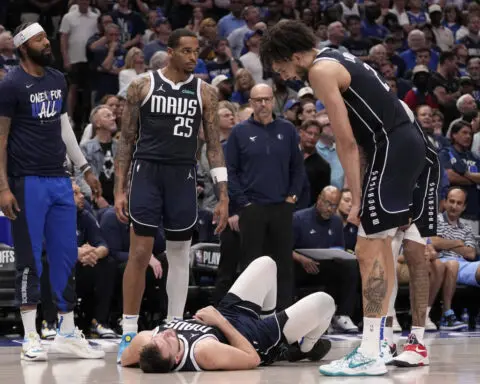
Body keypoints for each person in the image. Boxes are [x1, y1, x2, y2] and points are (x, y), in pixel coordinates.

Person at [261, 20, 439, 376]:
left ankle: (371, 349)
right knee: (380, 246)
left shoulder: (320, 70)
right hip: (407, 145)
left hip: (391, 146)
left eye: (281, 68)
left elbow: (345, 139)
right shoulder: (338, 57)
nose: (285, 76)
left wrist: (356, 198)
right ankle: (378, 342)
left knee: (367, 248)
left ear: (294, 55)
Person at [114, 28, 229, 363]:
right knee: (139, 252)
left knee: (180, 253)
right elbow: (125, 140)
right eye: (188, 51)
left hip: (183, 174)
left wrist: (223, 195)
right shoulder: (142, 85)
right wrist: (119, 189)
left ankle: (175, 325)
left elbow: (214, 147)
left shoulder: (205, 92)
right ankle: (129, 331)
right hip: (146, 172)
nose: (194, 57)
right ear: (171, 52)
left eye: (197, 52)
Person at [0, 22, 103, 361]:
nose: (47, 42)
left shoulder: (58, 79)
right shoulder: (11, 84)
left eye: (47, 37)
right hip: (25, 181)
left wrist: (84, 168)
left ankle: (68, 331)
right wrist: (2, 186)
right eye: (40, 38)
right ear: (23, 46)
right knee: (30, 260)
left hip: (59, 179)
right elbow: (0, 139)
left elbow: (64, 127)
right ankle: (30, 334)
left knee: (64, 255)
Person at [120, 256, 335, 372]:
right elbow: (252, 359)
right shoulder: (204, 352)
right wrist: (219, 321)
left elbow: (125, 359)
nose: (165, 334)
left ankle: (275, 324)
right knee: (325, 302)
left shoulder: (148, 344)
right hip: (252, 338)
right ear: (177, 358)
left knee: (266, 264)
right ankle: (303, 348)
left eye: (158, 337)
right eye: (167, 342)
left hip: (227, 313)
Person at [226, 83, 305, 311]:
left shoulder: (288, 129)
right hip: (252, 207)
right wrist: (243, 203)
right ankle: (250, 311)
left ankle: (282, 312)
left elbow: (297, 167)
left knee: (283, 263)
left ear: (273, 101)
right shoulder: (239, 132)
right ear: (250, 103)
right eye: (258, 100)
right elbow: (230, 170)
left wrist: (292, 197)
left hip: (281, 206)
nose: (263, 104)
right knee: (251, 263)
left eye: (267, 99)